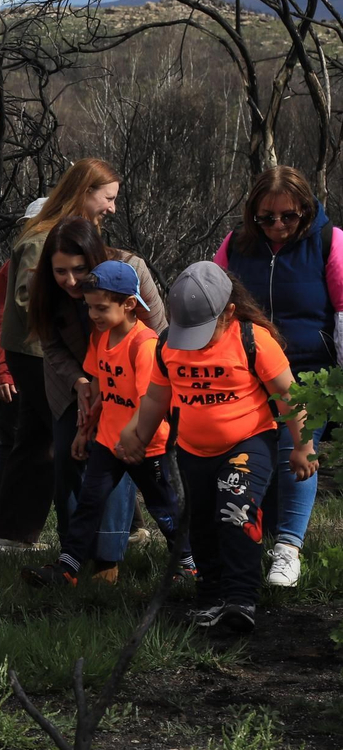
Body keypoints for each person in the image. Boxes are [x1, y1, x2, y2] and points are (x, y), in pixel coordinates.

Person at [119, 262, 317, 632]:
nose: (197, 340)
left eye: (204, 331)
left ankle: (240, 599)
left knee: (235, 508)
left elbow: (292, 396)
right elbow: (156, 397)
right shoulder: (168, 346)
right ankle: (210, 597)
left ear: (228, 311)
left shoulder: (252, 340)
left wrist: (302, 446)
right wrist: (138, 435)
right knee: (201, 521)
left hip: (248, 442)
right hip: (193, 451)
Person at [22, 261, 194, 587]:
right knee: (89, 503)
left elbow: (150, 401)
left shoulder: (143, 345)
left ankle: (187, 564)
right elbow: (102, 389)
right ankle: (67, 568)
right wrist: (85, 431)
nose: (93, 315)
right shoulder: (102, 338)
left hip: (147, 445)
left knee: (165, 508)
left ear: (129, 304)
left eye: (101, 307)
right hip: (107, 442)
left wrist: (136, 439)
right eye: (89, 307)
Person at [212, 166, 343, 587]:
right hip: (249, 371)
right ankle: (255, 537)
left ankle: (288, 548)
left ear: (305, 210)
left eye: (289, 216)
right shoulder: (235, 246)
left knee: (298, 450)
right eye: (266, 218)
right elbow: (215, 305)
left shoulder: (329, 243)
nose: (278, 226)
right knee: (253, 455)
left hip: (309, 370)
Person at [0, 158, 124, 551]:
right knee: (72, 436)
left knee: (35, 440)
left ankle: (12, 535)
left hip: (48, 350)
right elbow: (31, 300)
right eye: (108, 198)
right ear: (84, 193)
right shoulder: (43, 239)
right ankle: (101, 534)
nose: (112, 207)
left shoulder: (74, 234)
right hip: (38, 353)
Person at [0, 198, 46, 494]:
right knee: (12, 438)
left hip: (47, 367)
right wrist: (0, 371)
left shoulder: (62, 268)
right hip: (18, 368)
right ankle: (6, 506)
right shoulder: (12, 269)